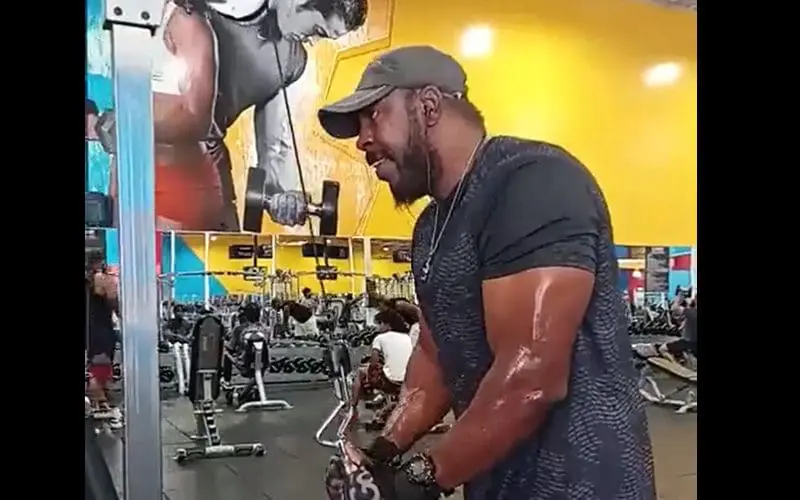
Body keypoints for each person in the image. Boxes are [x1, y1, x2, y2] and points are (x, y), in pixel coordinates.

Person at [317, 46, 655, 499]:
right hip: (493, 478)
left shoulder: (532, 182)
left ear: (428, 106)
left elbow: (531, 374)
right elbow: (437, 355)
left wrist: (418, 480)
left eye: (373, 115)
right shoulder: (431, 227)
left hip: (583, 482)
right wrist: (382, 452)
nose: (361, 140)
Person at [99, 0, 369, 231]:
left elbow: (273, 146)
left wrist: (281, 197)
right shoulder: (208, 9)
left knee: (212, 264)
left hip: (208, 163)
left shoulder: (292, 61)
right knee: (139, 263)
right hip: (151, 149)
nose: (312, 41)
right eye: (318, 30)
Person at [350, 309, 414, 417]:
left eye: (380, 323)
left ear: (388, 325)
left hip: (390, 381)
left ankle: (352, 407)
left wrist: (369, 371)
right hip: (407, 380)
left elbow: (373, 362)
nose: (377, 327)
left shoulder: (379, 338)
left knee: (360, 372)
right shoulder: (407, 337)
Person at [85, 252, 121, 424]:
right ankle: (101, 404)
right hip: (99, 330)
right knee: (99, 370)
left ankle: (99, 403)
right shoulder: (101, 279)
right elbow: (113, 300)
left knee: (95, 369)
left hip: (93, 329)